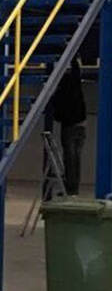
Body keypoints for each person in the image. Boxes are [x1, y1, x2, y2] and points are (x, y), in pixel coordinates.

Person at [51, 57, 86, 195]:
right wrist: (73, 58)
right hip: (81, 126)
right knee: (76, 160)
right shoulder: (75, 84)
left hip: (69, 127)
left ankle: (70, 189)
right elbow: (77, 73)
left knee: (70, 160)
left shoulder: (60, 93)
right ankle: (74, 189)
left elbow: (57, 115)